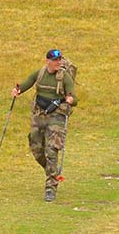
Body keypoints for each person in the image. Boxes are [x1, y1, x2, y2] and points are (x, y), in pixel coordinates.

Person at [11, 49, 78, 202]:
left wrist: (70, 100)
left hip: (56, 117)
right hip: (39, 115)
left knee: (51, 150)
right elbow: (26, 84)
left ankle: (51, 188)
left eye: (60, 60)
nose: (58, 63)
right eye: (55, 60)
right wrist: (17, 90)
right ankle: (51, 170)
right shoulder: (40, 74)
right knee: (36, 148)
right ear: (47, 61)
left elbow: (74, 97)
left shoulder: (64, 77)